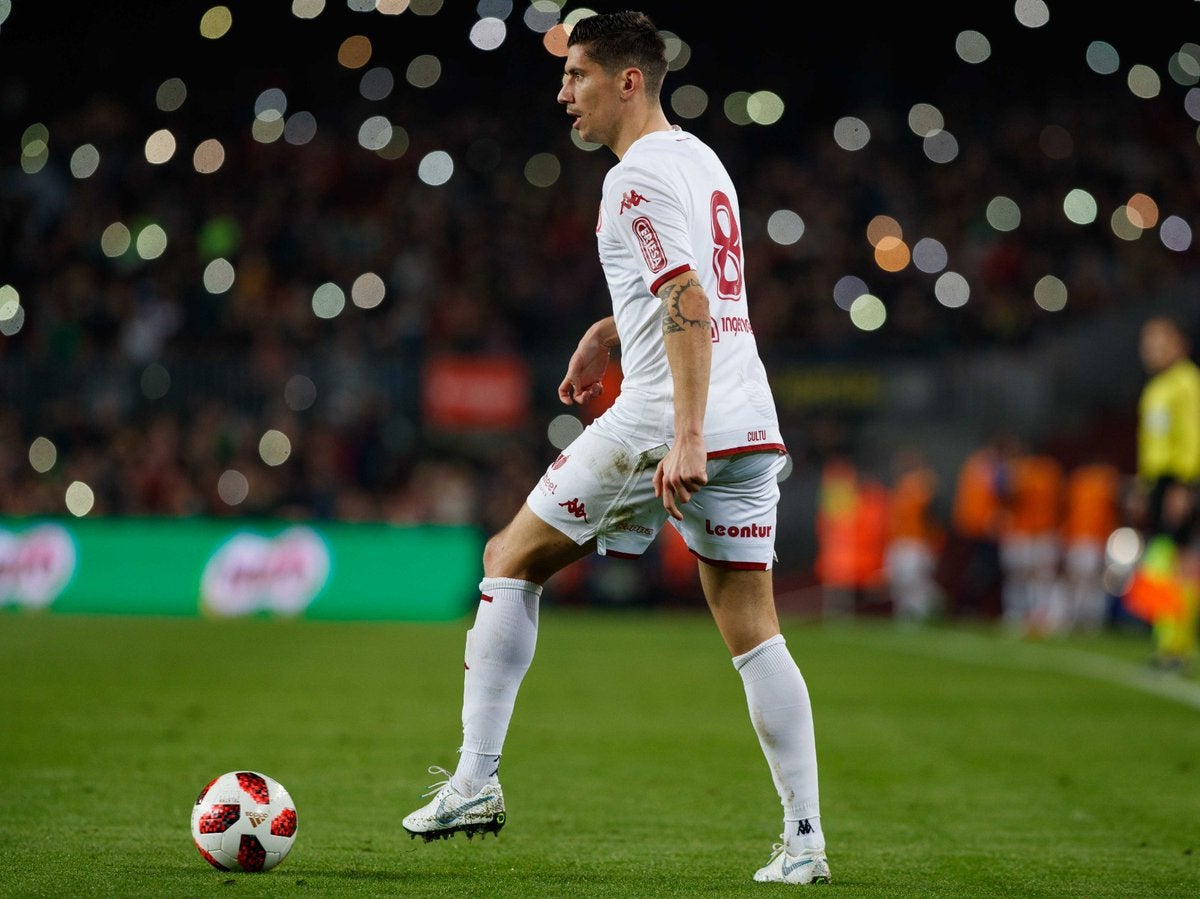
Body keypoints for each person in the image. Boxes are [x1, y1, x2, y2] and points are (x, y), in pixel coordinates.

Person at [401, 11, 830, 885]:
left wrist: (681, 436)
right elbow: (688, 291)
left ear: (628, 81)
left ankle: (477, 781)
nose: (564, 94)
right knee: (754, 629)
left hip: (672, 418)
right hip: (753, 422)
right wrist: (608, 330)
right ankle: (806, 841)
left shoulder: (630, 181)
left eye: (579, 76)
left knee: (508, 557)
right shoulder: (701, 160)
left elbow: (685, 302)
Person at [1123, 315, 1200, 671]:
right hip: (1160, 483)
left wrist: (1185, 485)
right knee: (1163, 564)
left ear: (1180, 344)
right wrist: (1143, 485)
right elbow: (1152, 443)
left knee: (1170, 563)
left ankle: (1174, 646)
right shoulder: (1157, 388)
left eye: (1160, 342)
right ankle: (1169, 645)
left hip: (1179, 482)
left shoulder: (1187, 383)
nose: (1151, 350)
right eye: (1147, 343)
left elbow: (1193, 436)